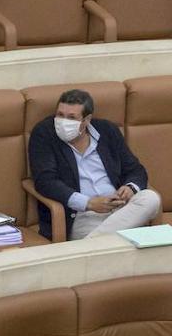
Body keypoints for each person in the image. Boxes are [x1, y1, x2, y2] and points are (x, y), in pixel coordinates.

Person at [30, 89, 163, 240]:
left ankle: (89, 246)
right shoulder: (44, 134)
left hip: (121, 208)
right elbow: (45, 181)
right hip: (81, 216)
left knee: (150, 198)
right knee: (123, 239)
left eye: (72, 117)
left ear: (86, 120)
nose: (63, 122)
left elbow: (135, 169)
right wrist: (89, 203)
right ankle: (99, 242)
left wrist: (130, 188)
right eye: (60, 115)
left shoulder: (107, 131)